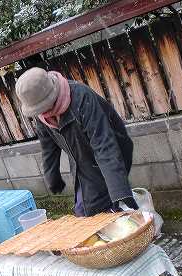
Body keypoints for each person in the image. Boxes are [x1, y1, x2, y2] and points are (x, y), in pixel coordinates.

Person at [15, 67, 138, 217]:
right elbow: (48, 147)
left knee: (103, 207)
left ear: (52, 94)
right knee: (85, 210)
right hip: (82, 161)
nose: (42, 113)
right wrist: (52, 177)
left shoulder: (82, 97)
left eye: (43, 107)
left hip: (111, 153)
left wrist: (120, 192)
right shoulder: (43, 115)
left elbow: (104, 145)